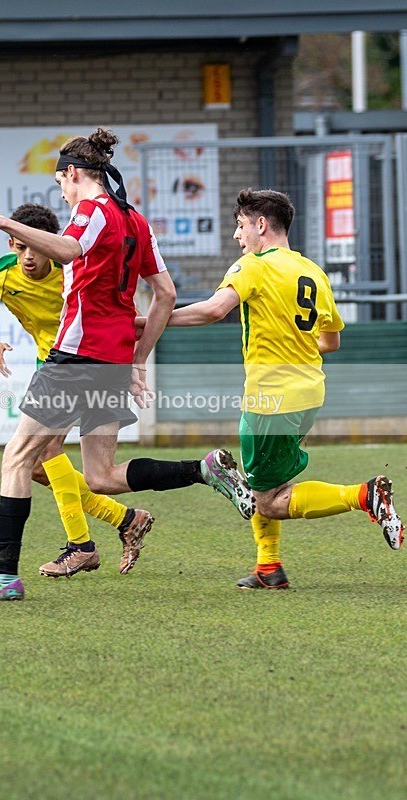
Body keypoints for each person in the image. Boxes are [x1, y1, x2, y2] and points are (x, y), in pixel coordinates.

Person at [0, 127, 182, 602]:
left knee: (20, 457)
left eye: (60, 182)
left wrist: (0, 221)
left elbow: (69, 249)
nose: (61, 192)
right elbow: (166, 294)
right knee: (98, 473)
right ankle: (199, 471)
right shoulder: (135, 219)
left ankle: (8, 576)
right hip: (112, 358)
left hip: (75, 356)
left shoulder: (91, 210)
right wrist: (139, 359)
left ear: (72, 173)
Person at [136, 187, 403, 588]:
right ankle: (268, 569)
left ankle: (364, 496)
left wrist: (146, 323)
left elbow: (213, 310)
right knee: (265, 482)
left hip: (271, 397)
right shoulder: (313, 272)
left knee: (268, 502)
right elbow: (331, 341)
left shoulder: (253, 266)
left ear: (261, 225)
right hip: (309, 392)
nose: (237, 235)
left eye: (240, 225)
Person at [0, 202, 149, 581]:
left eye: (36, 247)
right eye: (20, 247)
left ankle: (82, 546)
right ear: (12, 243)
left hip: (83, 361)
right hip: (50, 364)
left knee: (42, 454)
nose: (29, 256)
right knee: (36, 466)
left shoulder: (73, 270)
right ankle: (124, 518)